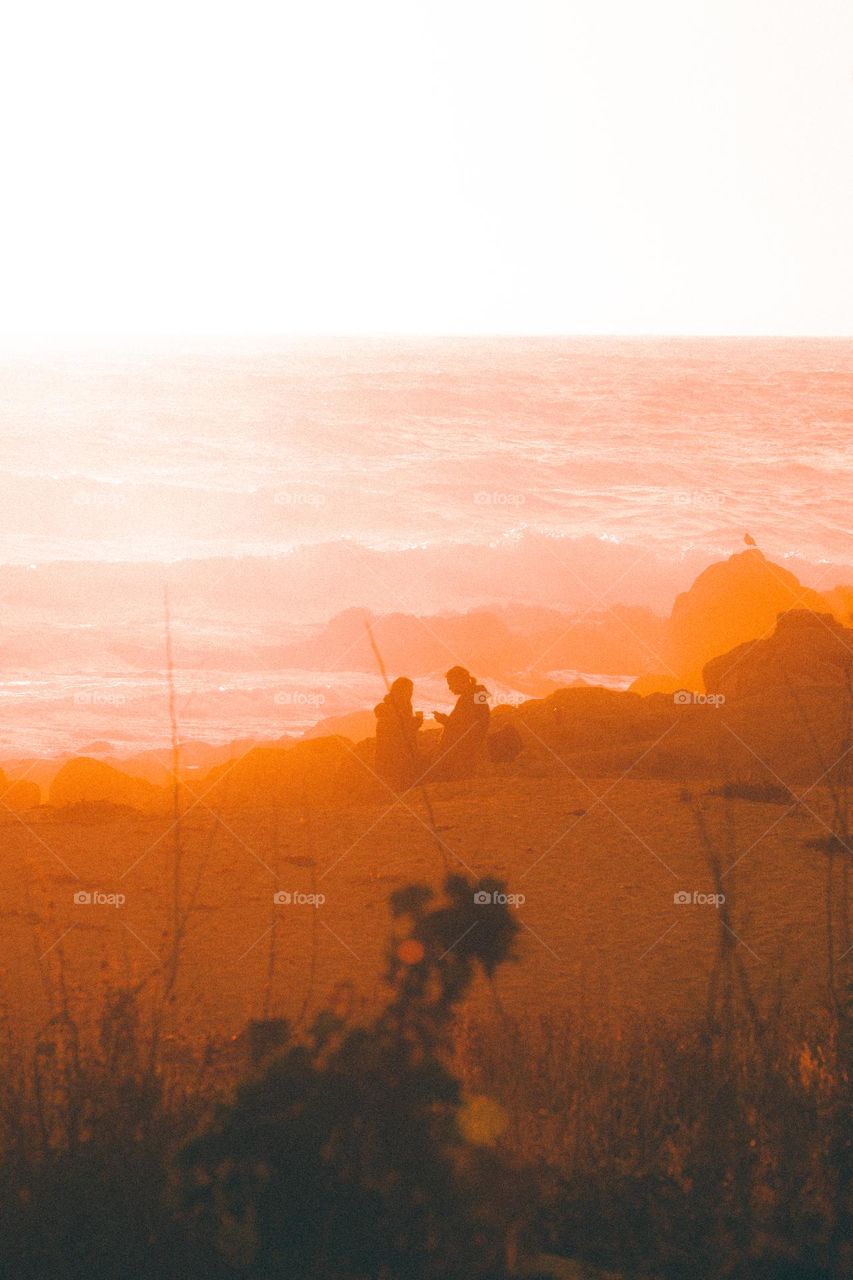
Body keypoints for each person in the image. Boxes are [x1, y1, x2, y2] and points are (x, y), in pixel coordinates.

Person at [432, 666, 490, 779]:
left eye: (451, 683)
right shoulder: (475, 694)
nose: (449, 688)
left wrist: (444, 720)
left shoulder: (470, 697)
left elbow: (465, 726)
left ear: (460, 681)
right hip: (467, 747)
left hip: (464, 751)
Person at [374, 677, 423, 791]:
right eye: (409, 691)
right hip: (395, 756)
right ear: (401, 691)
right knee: (401, 787)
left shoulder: (394, 706)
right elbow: (403, 728)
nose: (411, 694)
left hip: (392, 756)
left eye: (411, 691)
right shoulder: (396, 708)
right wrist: (418, 721)